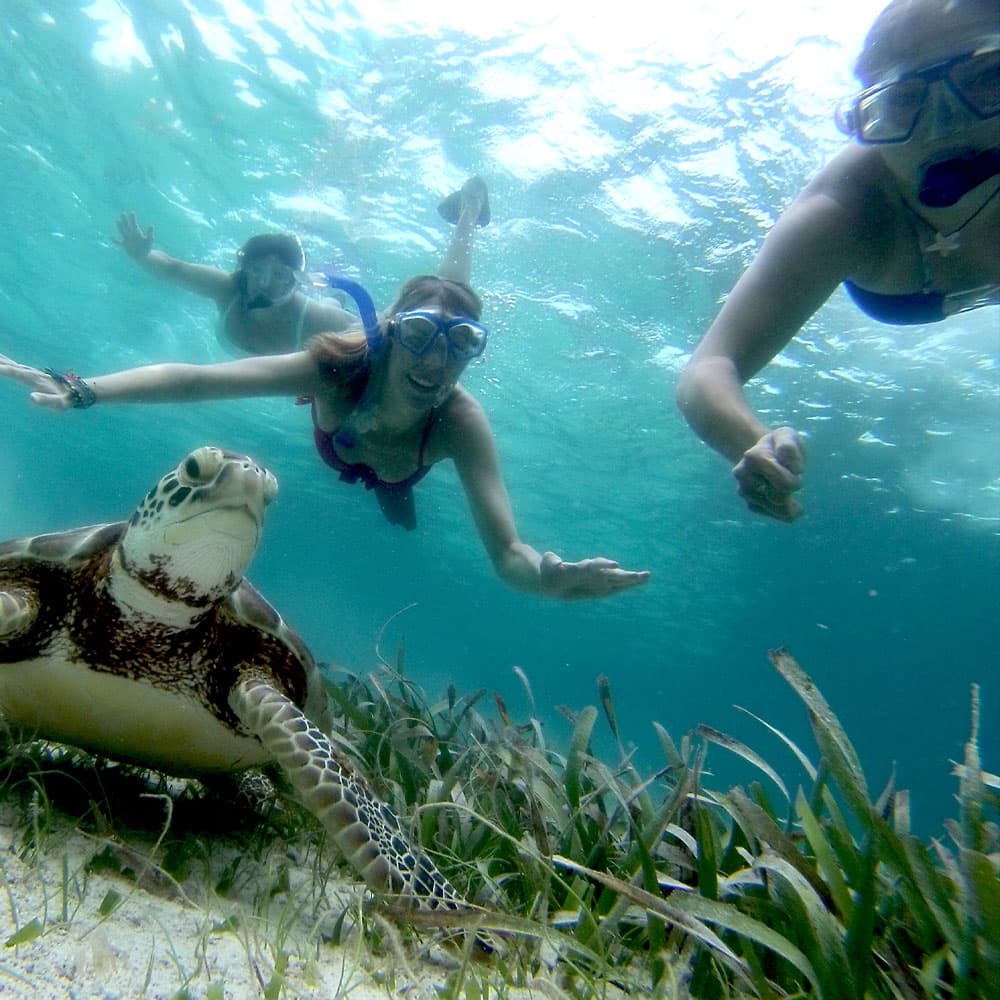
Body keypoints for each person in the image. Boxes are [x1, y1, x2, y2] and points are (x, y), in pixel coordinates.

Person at [2, 178, 650, 602]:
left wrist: (544, 576)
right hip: (338, 437)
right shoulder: (338, 362)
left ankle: (469, 214)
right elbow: (199, 379)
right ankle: (467, 218)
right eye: (420, 335)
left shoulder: (460, 422)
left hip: (398, 474)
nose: (438, 359)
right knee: (439, 294)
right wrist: (88, 391)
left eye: (463, 344)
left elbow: (509, 553)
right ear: (390, 334)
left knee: (398, 498)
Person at [676, 0, 999, 522]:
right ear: (865, 118)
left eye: (988, 77)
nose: (943, 127)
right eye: (904, 101)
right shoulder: (847, 211)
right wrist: (750, 440)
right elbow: (708, 368)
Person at [115, 214, 357, 355]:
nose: (263, 282)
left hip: (320, 312)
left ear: (296, 280)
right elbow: (173, 268)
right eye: (256, 269)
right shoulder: (228, 289)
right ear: (245, 269)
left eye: (280, 274)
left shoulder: (318, 318)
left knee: (329, 305)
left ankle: (334, 297)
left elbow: (378, 329)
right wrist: (142, 255)